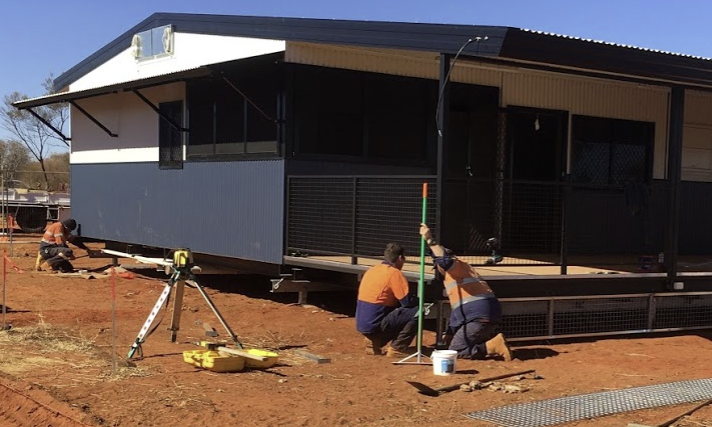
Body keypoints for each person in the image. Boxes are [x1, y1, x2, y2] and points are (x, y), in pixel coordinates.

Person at [419, 223, 512, 361]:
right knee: (454, 344)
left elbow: (445, 261)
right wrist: (449, 335)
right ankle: (487, 342)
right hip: (481, 315)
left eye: (436, 264)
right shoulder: (456, 275)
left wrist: (429, 240)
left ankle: (492, 346)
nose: (438, 268)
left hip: (479, 317)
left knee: (456, 351)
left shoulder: (457, 266)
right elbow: (457, 314)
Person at [356, 242, 419, 358]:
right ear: (400, 258)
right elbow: (407, 302)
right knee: (418, 311)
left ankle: (374, 340)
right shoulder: (394, 273)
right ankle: (398, 348)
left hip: (363, 323)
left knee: (397, 311)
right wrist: (418, 299)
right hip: (376, 324)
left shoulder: (372, 270)